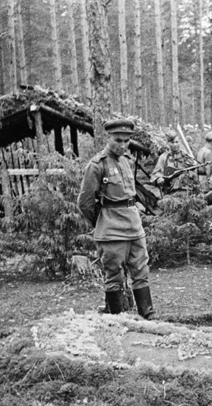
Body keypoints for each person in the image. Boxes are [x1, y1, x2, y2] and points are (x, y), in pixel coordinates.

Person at [77, 119, 154, 319]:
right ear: (108, 138)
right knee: (114, 276)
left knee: (141, 271)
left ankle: (148, 316)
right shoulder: (97, 165)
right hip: (111, 231)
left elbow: (130, 195)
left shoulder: (125, 161)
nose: (122, 145)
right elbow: (85, 203)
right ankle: (118, 319)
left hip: (134, 227)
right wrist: (103, 222)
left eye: (127, 141)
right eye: (118, 140)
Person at [151, 129, 199, 194]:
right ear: (168, 143)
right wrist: (158, 178)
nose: (175, 145)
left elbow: (194, 168)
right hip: (171, 191)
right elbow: (156, 173)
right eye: (172, 142)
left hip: (187, 189)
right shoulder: (164, 157)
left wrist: (194, 165)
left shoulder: (185, 155)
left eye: (177, 142)